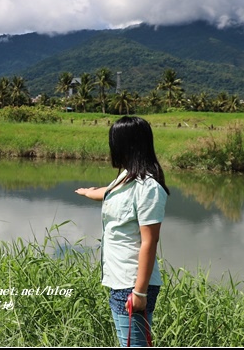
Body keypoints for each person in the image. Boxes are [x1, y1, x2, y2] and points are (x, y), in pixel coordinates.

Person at [76, 116, 170, 347]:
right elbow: (107, 193)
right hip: (120, 282)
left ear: (125, 144)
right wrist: (88, 192)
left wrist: (139, 292)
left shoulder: (148, 188)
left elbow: (150, 241)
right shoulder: (125, 177)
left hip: (132, 283)